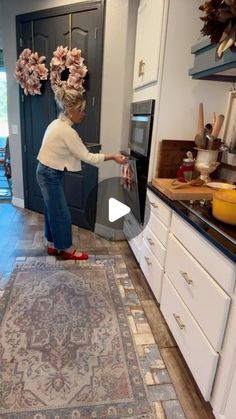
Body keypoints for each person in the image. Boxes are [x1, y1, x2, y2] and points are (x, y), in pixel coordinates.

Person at [36, 86, 127, 261]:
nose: (83, 114)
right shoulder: (67, 131)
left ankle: (53, 245)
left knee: (52, 210)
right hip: (49, 174)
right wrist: (113, 157)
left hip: (45, 171)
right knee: (61, 213)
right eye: (81, 110)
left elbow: (69, 149)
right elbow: (88, 157)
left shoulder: (57, 124)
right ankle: (67, 249)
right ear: (70, 110)